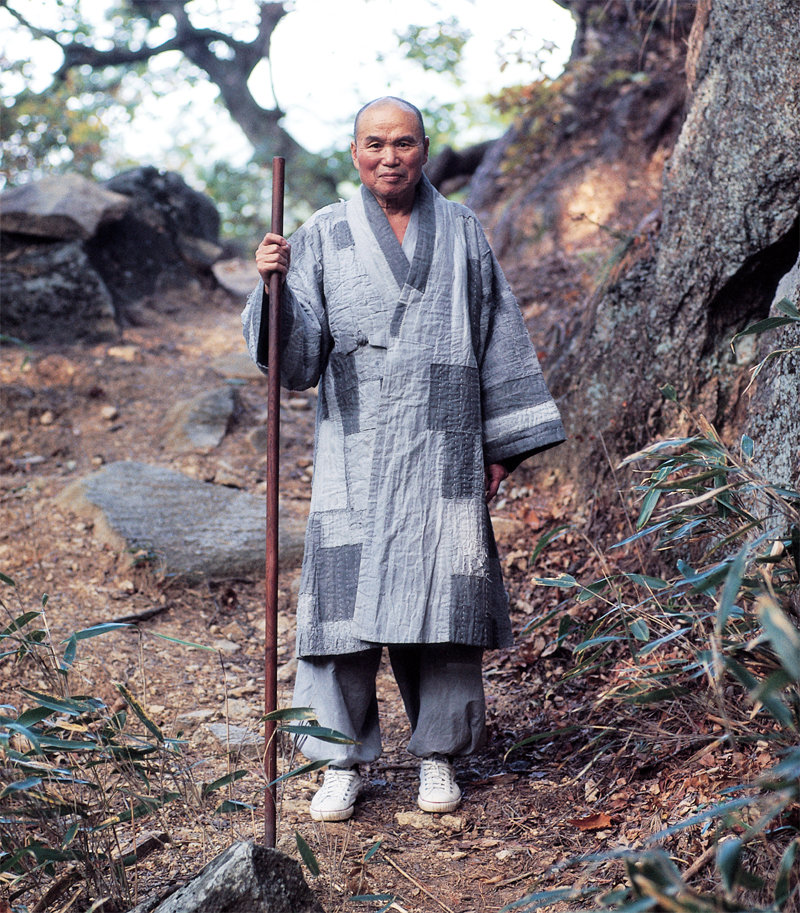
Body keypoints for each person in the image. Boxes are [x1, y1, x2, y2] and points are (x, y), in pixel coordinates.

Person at [242, 96, 564, 822]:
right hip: (355, 445)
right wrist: (271, 286)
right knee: (339, 610)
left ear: (425, 149)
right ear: (355, 152)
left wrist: (500, 447)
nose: (391, 156)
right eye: (376, 143)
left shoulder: (462, 232)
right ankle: (337, 759)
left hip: (443, 442)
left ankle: (439, 755)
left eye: (406, 143)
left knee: (445, 599)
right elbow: (296, 360)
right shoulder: (322, 234)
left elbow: (497, 335)